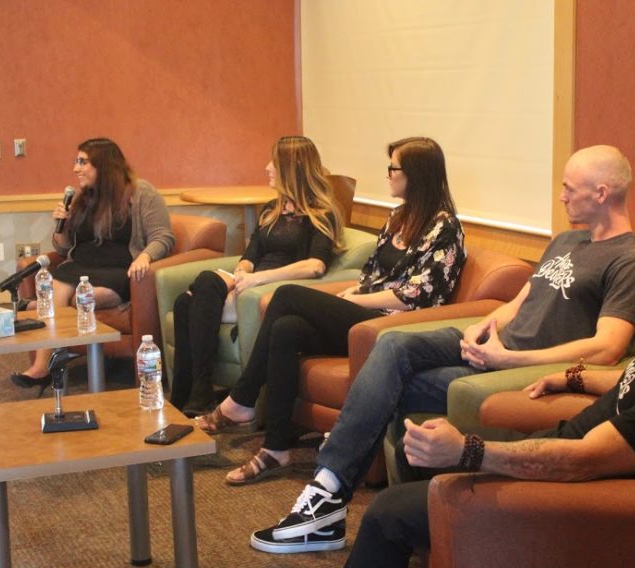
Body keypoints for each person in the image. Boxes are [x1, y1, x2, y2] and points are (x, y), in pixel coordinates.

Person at [330, 207, 635, 568]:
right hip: (566, 470)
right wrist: (573, 376)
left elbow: (581, 462)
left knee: (389, 513)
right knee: (420, 470)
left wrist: (467, 449)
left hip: (580, 503)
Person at [250, 145, 635, 554]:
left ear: (602, 193)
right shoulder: (567, 240)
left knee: (392, 390)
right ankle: (334, 495)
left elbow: (607, 348)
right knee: (392, 346)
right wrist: (485, 325)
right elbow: (521, 301)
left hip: (514, 368)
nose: (562, 196)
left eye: (570, 189)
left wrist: (508, 359)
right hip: (494, 347)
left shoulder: (628, 260)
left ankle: (334, 501)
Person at [195, 137, 467, 491]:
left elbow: (418, 295)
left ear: (416, 174)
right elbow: (372, 272)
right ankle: (276, 446)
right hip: (366, 310)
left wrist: (357, 301)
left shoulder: (445, 228)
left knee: (289, 295)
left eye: (393, 168)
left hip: (390, 325)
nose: (387, 175)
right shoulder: (399, 217)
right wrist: (356, 290)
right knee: (287, 328)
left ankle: (242, 399)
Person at [171, 136, 342, 417]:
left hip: (273, 290)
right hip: (250, 284)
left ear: (292, 167)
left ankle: (196, 391)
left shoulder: (320, 215)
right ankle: (191, 395)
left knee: (187, 302)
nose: (267, 168)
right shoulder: (271, 210)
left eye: (273, 162)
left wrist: (257, 280)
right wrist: (242, 273)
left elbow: (315, 266)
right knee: (189, 297)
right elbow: (251, 255)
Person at [10, 138, 174, 393]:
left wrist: (146, 256)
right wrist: (61, 225)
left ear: (104, 165)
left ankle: (34, 305)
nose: (76, 169)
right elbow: (64, 249)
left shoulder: (141, 193)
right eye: (76, 162)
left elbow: (163, 236)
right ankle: (42, 367)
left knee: (82, 299)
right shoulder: (81, 198)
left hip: (120, 271)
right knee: (65, 294)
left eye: (82, 162)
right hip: (78, 267)